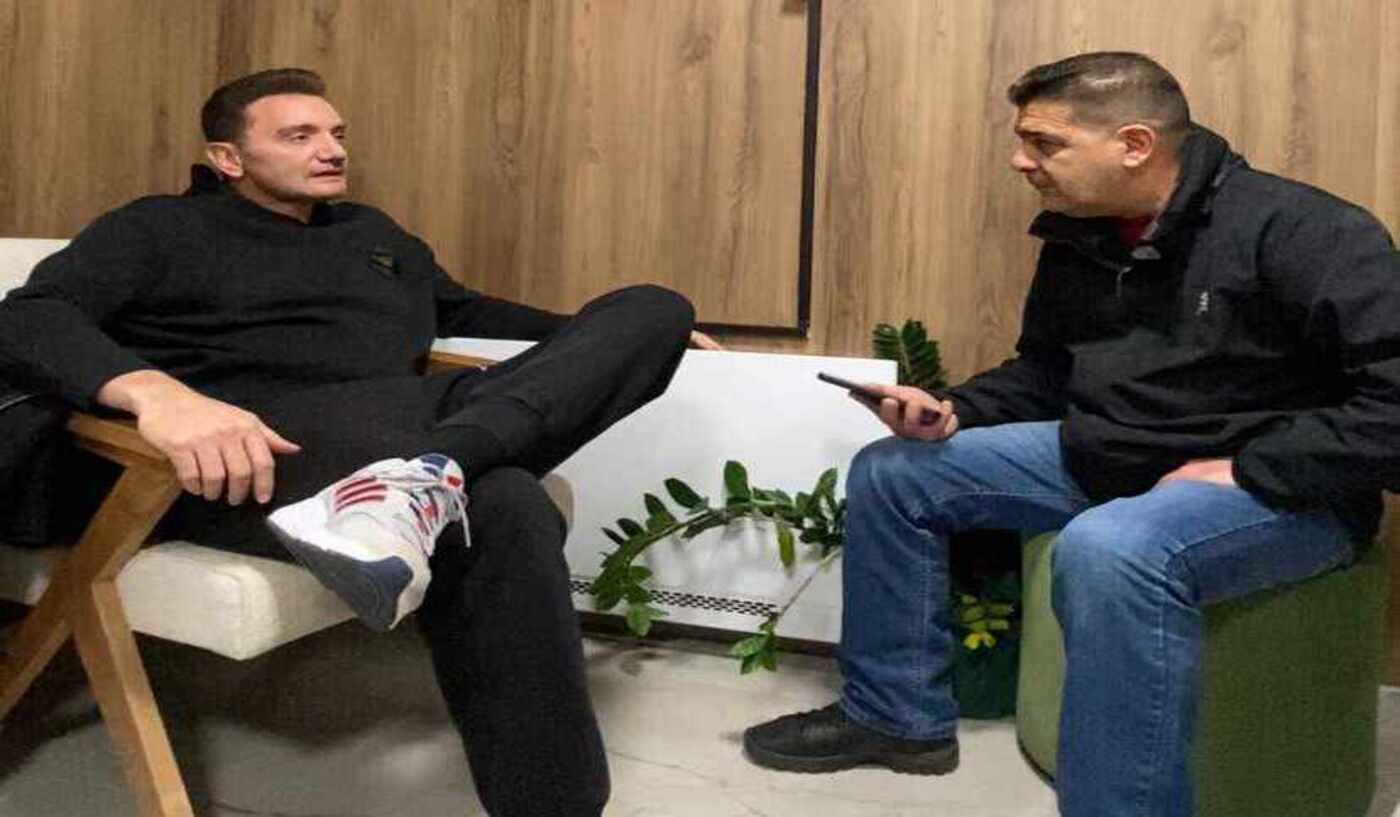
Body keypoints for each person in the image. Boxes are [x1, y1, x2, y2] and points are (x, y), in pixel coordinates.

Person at [0, 67, 717, 817]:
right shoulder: (155, 228)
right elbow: (27, 317)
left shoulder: (373, 235)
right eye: (299, 135)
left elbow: (467, 308)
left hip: (411, 424)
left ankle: (433, 472)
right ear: (228, 158)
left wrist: (608, 339)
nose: (331, 149)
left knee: (655, 307)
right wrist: (159, 395)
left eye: (335, 133)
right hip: (261, 445)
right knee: (504, 502)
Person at [742, 51, 1399, 816]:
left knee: (1110, 547)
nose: (1021, 161)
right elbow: (1049, 371)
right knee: (896, 472)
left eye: (1044, 143)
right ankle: (896, 717)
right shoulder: (1082, 234)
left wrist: (1254, 467)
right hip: (1113, 458)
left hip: (1284, 492)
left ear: (1134, 144)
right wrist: (954, 409)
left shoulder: (1307, 232)